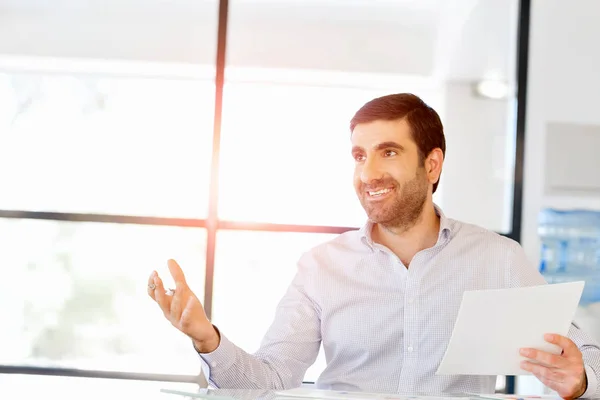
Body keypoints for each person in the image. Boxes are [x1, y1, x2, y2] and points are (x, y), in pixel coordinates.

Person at [147, 93, 600, 399]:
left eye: (388, 152)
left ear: (432, 164)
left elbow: (587, 358)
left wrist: (578, 378)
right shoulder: (321, 267)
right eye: (359, 156)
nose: (368, 174)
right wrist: (208, 340)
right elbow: (270, 379)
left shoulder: (498, 260)